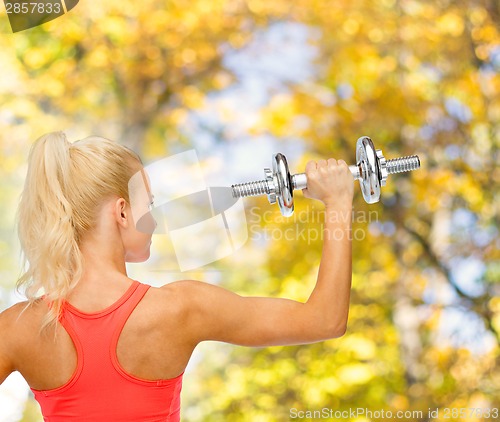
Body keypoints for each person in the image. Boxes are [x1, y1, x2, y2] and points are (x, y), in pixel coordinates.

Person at [0, 131, 354, 421]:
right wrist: (338, 203)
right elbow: (325, 320)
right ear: (122, 212)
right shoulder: (181, 308)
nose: (153, 220)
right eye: (149, 204)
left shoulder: (19, 327)